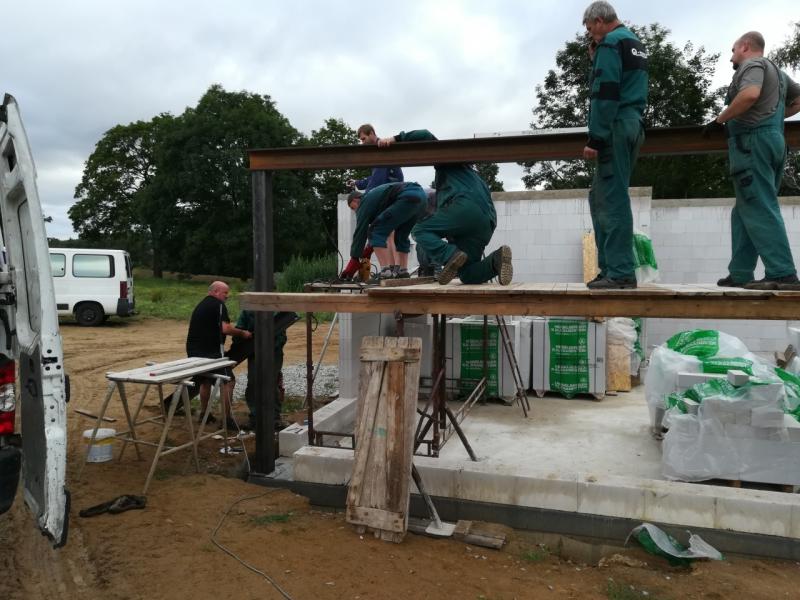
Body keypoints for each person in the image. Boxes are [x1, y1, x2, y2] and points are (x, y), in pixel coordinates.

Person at [706, 31, 800, 290]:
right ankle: (740, 272)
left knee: (759, 206)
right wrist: (772, 115)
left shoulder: (752, 64)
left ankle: (782, 273)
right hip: (773, 140)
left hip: (752, 143)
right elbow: (798, 100)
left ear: (745, 47)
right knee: (745, 210)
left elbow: (749, 94)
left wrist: (720, 119)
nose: (731, 57)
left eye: (733, 50)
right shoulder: (778, 73)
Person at [377, 130, 512, 286]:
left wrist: (395, 139)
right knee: (467, 273)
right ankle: (496, 260)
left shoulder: (447, 160)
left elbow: (425, 136)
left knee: (419, 230)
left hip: (466, 208)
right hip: (487, 222)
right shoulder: (473, 176)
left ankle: (450, 255)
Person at [582, 1, 648, 289]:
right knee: (599, 196)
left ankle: (620, 272)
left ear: (599, 20)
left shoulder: (610, 43)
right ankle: (610, 267)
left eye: (590, 29)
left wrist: (596, 137)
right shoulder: (633, 42)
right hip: (632, 123)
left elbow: (605, 91)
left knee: (612, 199)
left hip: (615, 127)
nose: (590, 35)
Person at [185, 281, 251, 429]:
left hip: (194, 351)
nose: (227, 296)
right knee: (228, 381)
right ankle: (226, 420)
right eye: (225, 293)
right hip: (211, 354)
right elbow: (225, 328)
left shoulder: (201, 305)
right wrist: (243, 333)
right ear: (215, 291)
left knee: (205, 380)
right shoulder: (218, 304)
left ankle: (205, 414)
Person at [339, 181, 429, 282]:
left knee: (374, 231)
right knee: (401, 235)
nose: (355, 211)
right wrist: (367, 251)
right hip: (422, 198)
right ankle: (403, 271)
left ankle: (385, 272)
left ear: (356, 200)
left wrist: (354, 259)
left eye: (353, 208)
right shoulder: (375, 198)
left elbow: (360, 232)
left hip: (407, 197)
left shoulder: (364, 202)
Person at [225, 310, 297, 431]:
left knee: (272, 384)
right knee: (253, 384)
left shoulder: (276, 309)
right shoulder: (248, 311)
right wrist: (241, 344)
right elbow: (240, 329)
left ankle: (274, 419)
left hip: (273, 352)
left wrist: (271, 346)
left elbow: (281, 332)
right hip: (254, 353)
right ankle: (255, 418)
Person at [347, 124, 404, 192]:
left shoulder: (383, 148)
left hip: (394, 187)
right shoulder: (376, 153)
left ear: (371, 133)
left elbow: (377, 179)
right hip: (388, 185)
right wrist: (357, 183)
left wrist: (367, 196)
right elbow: (375, 177)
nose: (363, 143)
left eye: (364, 139)